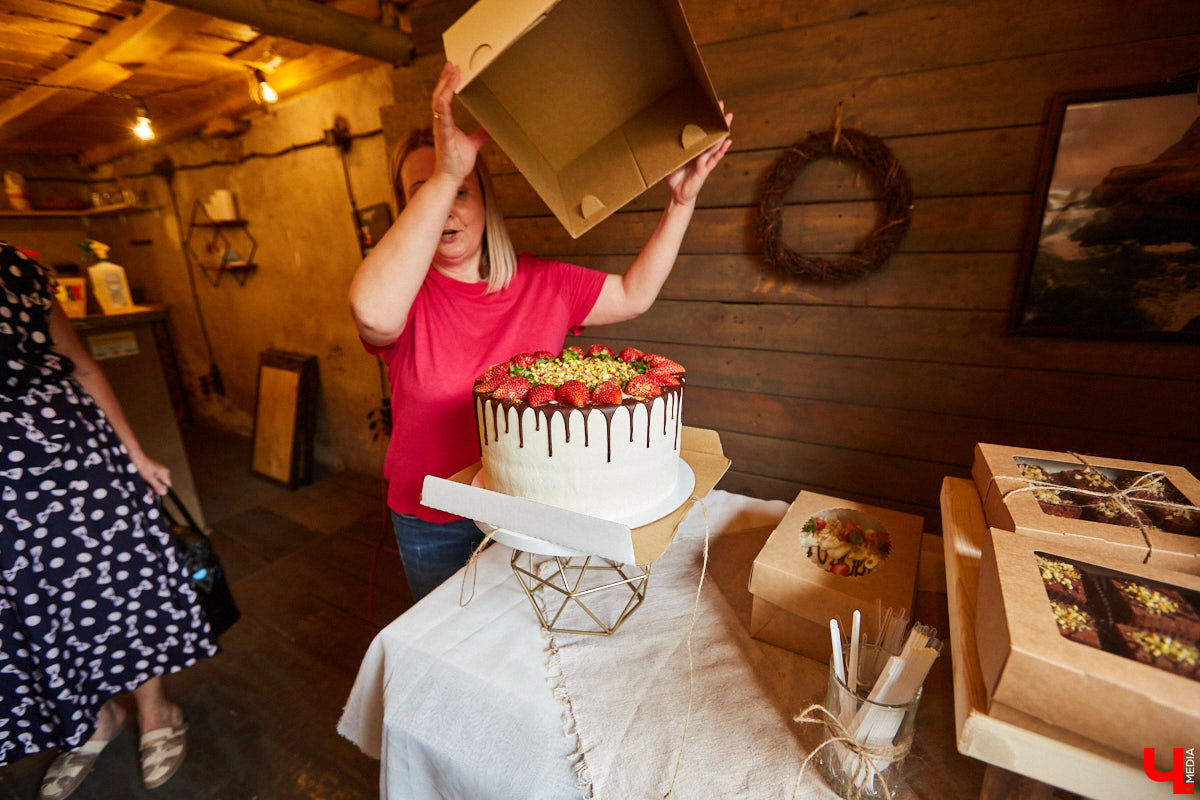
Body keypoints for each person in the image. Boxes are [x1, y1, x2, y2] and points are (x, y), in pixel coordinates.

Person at [349, 62, 732, 601]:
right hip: (433, 520)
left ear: (485, 201)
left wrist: (681, 201)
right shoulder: (403, 295)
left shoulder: (545, 282)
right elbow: (372, 313)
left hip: (532, 512)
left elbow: (634, 294)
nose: (447, 207)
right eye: (425, 192)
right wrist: (447, 174)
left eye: (462, 190)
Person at [0, 241, 218, 799]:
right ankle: (97, 719)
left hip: (69, 457)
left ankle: (156, 710)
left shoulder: (14, 267)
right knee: (38, 610)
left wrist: (136, 455)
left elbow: (81, 365)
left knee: (118, 582)